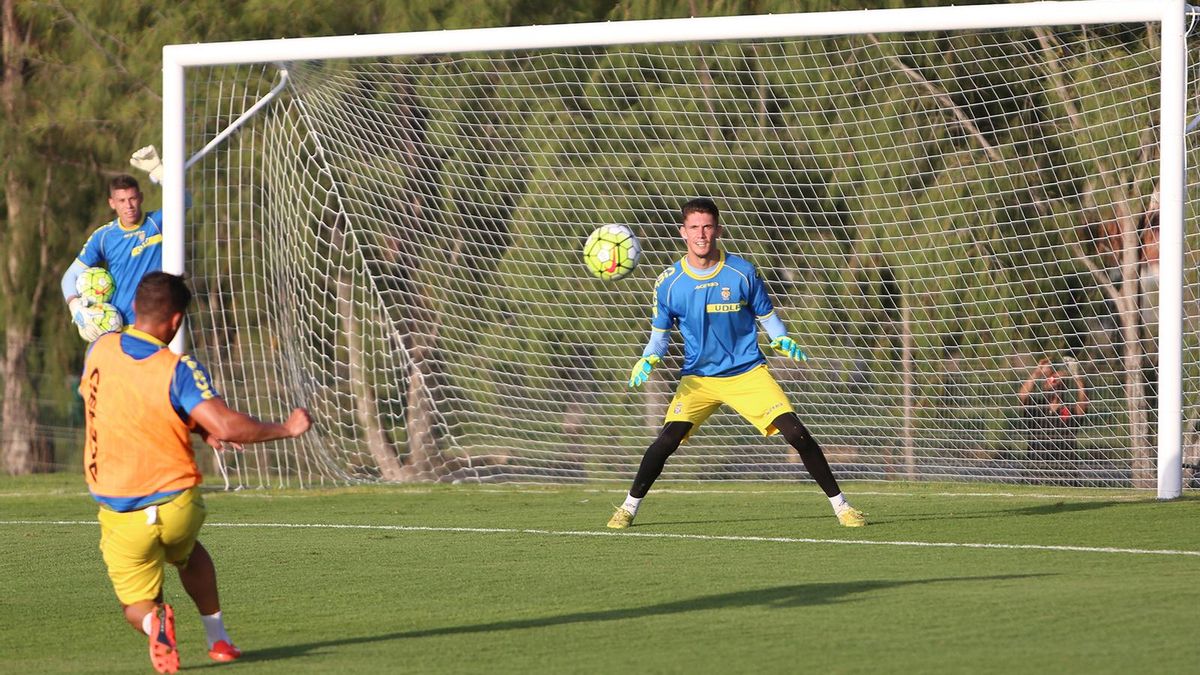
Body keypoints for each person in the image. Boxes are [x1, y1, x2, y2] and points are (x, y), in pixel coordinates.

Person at [81, 272, 312, 673]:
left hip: (121, 512)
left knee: (135, 605)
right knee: (188, 553)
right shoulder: (178, 368)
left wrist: (200, 426)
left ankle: (156, 624)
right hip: (176, 505)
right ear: (176, 321)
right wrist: (286, 429)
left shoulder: (100, 350)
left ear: (135, 309)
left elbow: (119, 401)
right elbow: (224, 425)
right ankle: (218, 638)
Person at [607, 198, 866, 529]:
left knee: (796, 433)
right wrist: (648, 358)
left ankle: (842, 507)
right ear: (683, 232)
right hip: (699, 378)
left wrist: (780, 337)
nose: (702, 234)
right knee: (666, 440)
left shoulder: (742, 272)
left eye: (708, 227)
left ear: (718, 230)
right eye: (695, 228)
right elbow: (660, 336)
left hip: (747, 373)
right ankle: (628, 508)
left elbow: (767, 315)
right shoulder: (669, 283)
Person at [63, 146, 169, 339]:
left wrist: (159, 172)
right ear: (112, 203)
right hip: (120, 327)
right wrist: (75, 306)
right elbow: (70, 276)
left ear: (141, 198)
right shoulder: (103, 236)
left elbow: (184, 201)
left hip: (156, 324)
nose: (128, 206)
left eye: (132, 198)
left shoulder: (157, 222)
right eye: (121, 201)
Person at [1017, 357, 1088, 483]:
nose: (1052, 381)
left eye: (1055, 380)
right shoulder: (1037, 408)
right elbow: (1022, 396)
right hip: (1036, 471)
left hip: (1065, 473)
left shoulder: (1069, 409)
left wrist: (1077, 377)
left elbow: (1083, 406)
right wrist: (1036, 373)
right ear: (1044, 386)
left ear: (1063, 386)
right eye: (1049, 380)